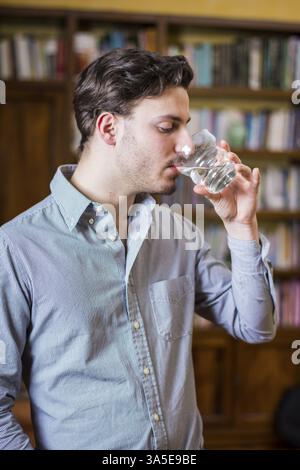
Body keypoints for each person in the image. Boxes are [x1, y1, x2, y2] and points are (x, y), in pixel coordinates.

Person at [0, 48, 276, 450]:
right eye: (168, 127)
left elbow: (256, 325)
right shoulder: (17, 247)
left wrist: (242, 225)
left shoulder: (179, 231)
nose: (187, 146)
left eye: (187, 127)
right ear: (110, 128)